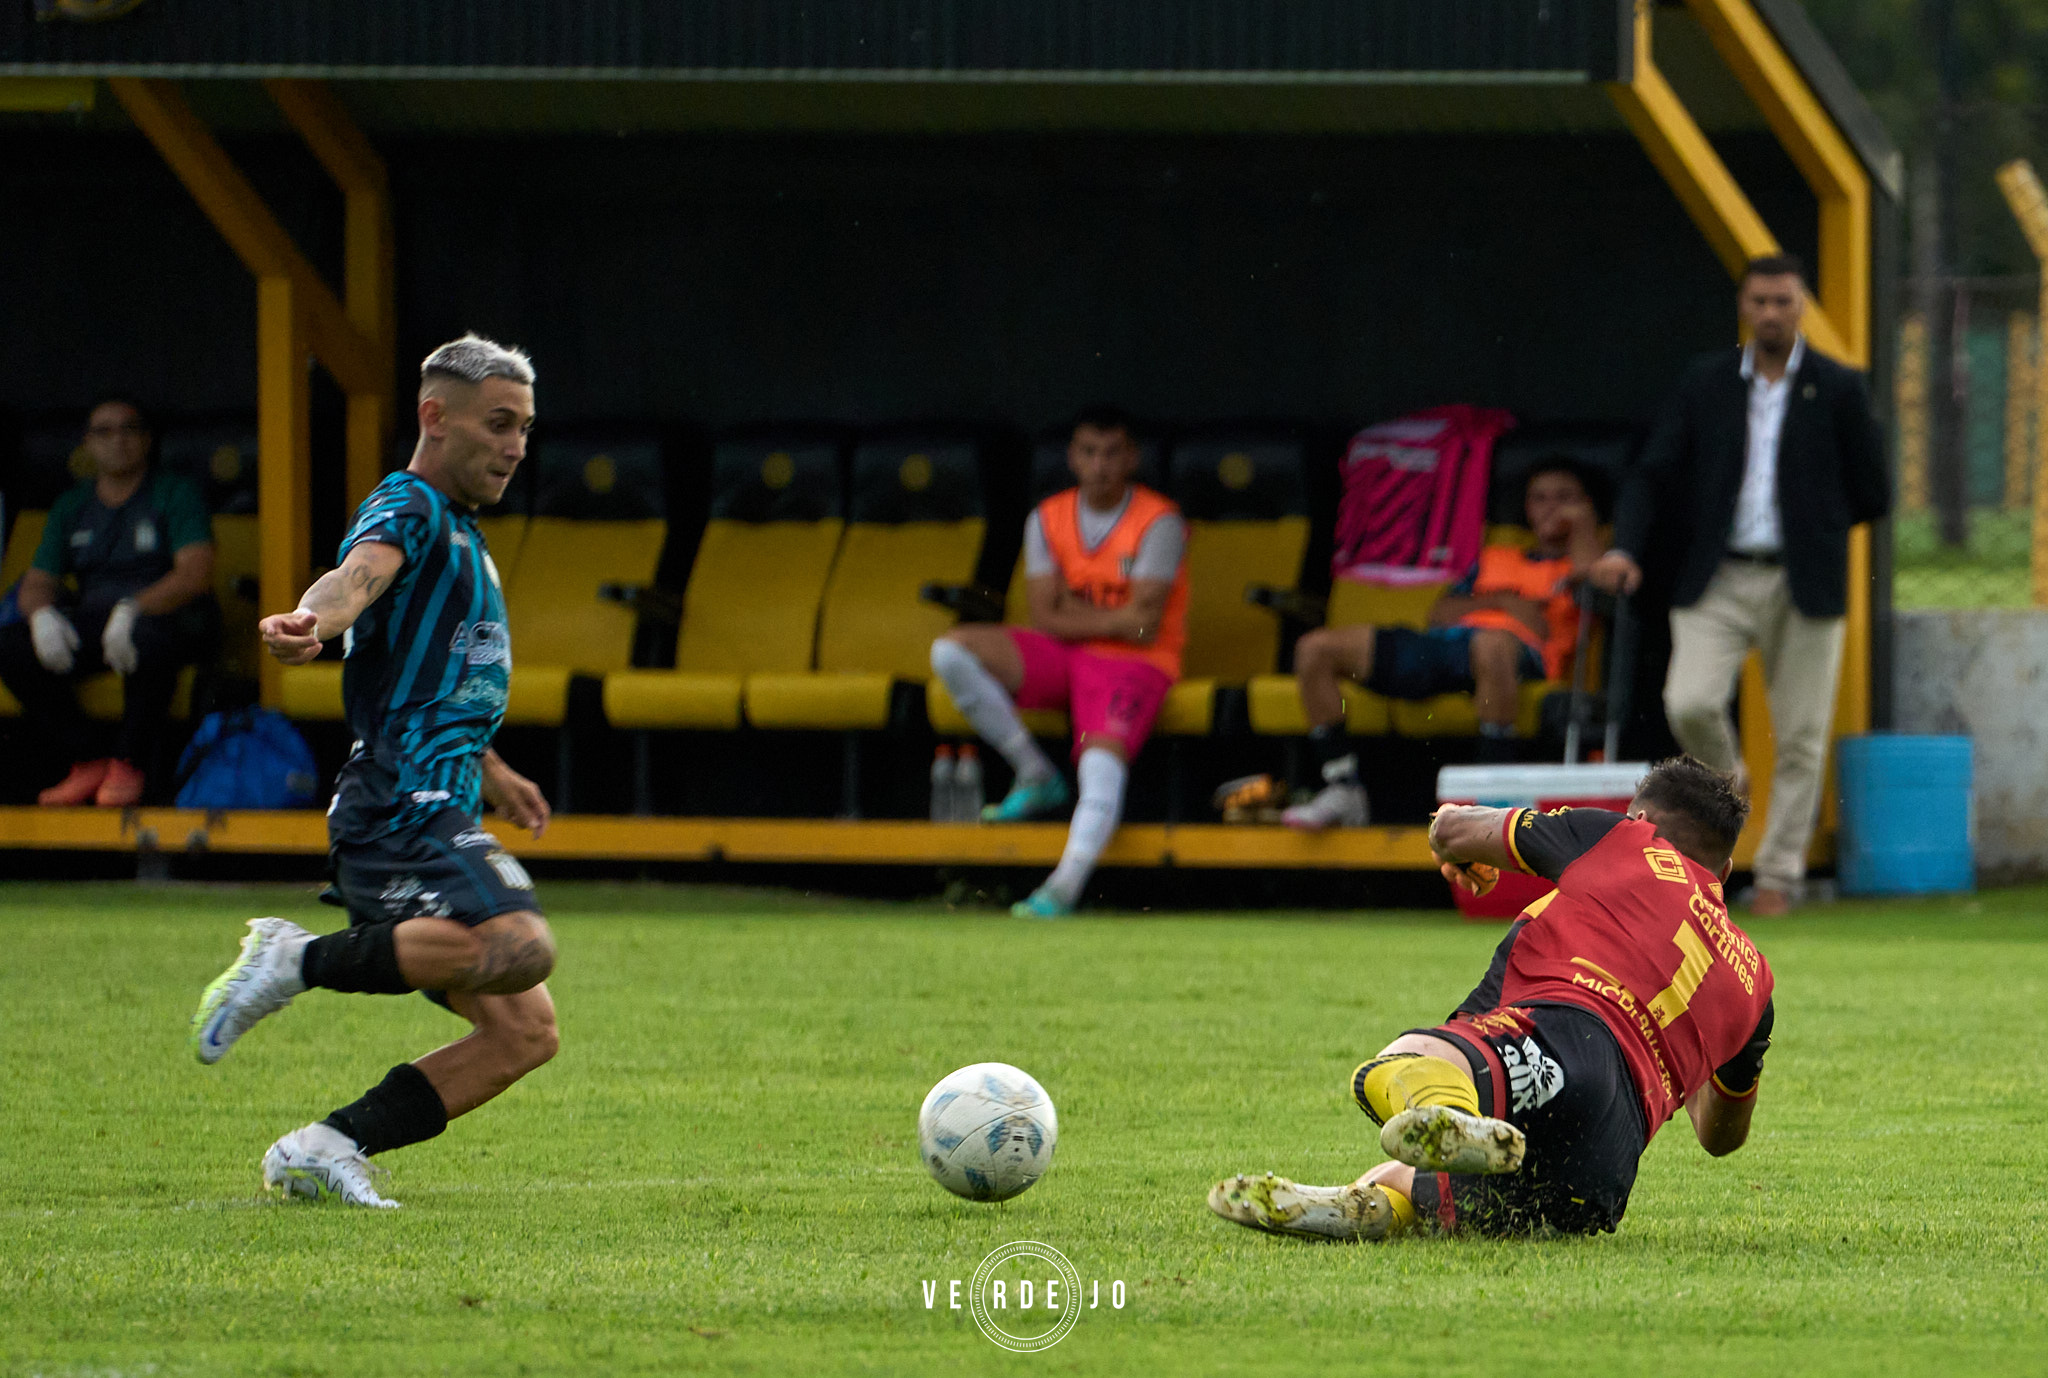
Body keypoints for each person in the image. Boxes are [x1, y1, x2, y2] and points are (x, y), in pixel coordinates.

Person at [187, 334, 557, 1209]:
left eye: (527, 430)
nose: (516, 446)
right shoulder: (412, 504)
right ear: (436, 416)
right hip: (399, 804)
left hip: (436, 797)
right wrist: (315, 619)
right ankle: (297, 958)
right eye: (500, 424)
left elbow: (435, 679)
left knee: (525, 1032)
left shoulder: (461, 531)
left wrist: (492, 767)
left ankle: (324, 1145)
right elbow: (357, 575)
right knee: (522, 944)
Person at [1209, 755, 1774, 1241]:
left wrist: (1458, 851)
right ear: (1722, 871)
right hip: (1604, 1167)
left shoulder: (1622, 839)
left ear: (1642, 819)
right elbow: (1719, 1137)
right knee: (1415, 1180)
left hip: (1569, 1039)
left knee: (1406, 1060)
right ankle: (1360, 1202)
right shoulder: (1755, 980)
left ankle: (1452, 1114)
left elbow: (1452, 827)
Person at [1590, 254, 1889, 916]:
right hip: (1717, 573)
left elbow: (1874, 490)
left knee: (1803, 733)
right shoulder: (1707, 382)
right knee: (1689, 701)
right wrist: (1626, 547)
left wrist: (1816, 520)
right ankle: (1732, 784)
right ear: (1743, 306)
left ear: (1802, 304)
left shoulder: (1838, 387)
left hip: (1802, 578)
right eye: (1759, 301)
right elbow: (1655, 470)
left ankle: (1778, 875)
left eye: (1783, 301)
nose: (1771, 314)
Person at [929, 405, 1188, 918]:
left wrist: (1074, 611)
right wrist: (1107, 615)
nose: (1100, 465)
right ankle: (1033, 771)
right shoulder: (1046, 518)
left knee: (1100, 761)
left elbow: (1142, 628)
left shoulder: (1160, 521)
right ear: (1072, 456)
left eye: (1112, 453)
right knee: (951, 650)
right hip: (1065, 656)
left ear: (1131, 457)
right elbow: (1044, 618)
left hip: (1134, 662)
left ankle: (1062, 889)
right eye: (1089, 452)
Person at [1283, 457, 1606, 830]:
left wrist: (1582, 524)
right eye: (1540, 498)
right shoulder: (1496, 556)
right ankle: (1342, 787)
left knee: (1492, 644)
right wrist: (1502, 602)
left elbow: (1596, 583)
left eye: (1564, 497)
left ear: (1586, 505)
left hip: (1519, 659)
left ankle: (1492, 794)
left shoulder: (1589, 562)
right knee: (1315, 648)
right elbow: (1439, 612)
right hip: (1446, 647)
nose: (1551, 507)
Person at [0, 397, 216, 806]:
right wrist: (42, 615)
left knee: (150, 640)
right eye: (104, 431)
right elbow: (37, 582)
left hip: (165, 618)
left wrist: (133, 608)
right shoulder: (71, 506)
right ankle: (88, 759)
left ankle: (128, 765)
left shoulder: (173, 492)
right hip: (97, 621)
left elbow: (195, 573)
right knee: (10, 646)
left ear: (147, 440)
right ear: (87, 443)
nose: (117, 440)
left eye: (129, 429)